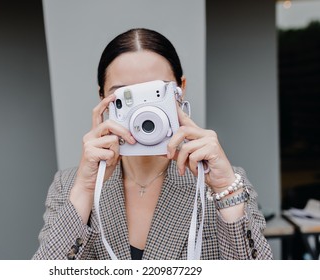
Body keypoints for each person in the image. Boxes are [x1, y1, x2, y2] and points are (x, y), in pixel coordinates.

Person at [33, 28, 273, 260]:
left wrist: (224, 188)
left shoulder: (220, 183)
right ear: (103, 99)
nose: (142, 110)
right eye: (125, 95)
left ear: (181, 90)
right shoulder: (69, 187)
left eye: (155, 93)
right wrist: (86, 189)